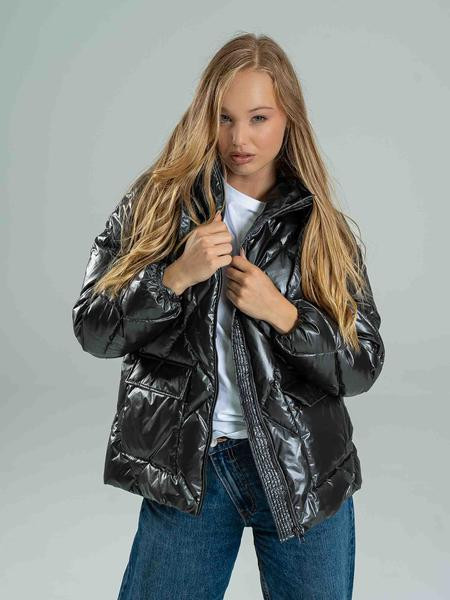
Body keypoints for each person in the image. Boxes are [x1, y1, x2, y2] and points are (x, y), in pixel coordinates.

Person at [72, 32, 385, 600]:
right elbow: (92, 328)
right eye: (225, 118)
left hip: (299, 468)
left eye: (259, 118)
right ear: (204, 118)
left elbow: (362, 364)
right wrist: (173, 278)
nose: (240, 139)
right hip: (192, 465)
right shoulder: (159, 204)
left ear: (288, 117)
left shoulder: (319, 226)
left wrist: (284, 314)